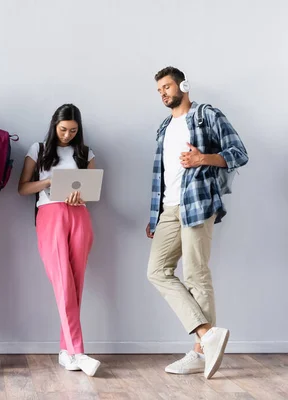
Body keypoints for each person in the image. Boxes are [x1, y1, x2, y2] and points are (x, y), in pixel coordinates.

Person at [146, 67, 248, 379]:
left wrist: (202, 158)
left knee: (195, 274)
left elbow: (239, 153)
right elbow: (161, 176)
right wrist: (155, 216)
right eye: (159, 90)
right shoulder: (164, 127)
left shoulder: (206, 115)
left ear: (183, 85)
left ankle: (200, 352)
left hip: (197, 203)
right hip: (169, 209)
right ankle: (207, 334)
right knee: (157, 271)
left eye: (167, 86)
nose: (163, 93)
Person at [18, 103, 101, 377]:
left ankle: (66, 352)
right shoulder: (39, 150)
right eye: (63, 129)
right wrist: (49, 182)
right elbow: (22, 188)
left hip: (80, 215)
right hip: (49, 214)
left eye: (73, 130)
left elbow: (91, 190)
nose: (67, 135)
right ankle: (78, 351)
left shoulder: (86, 153)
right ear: (55, 125)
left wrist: (79, 194)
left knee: (76, 283)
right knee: (63, 281)